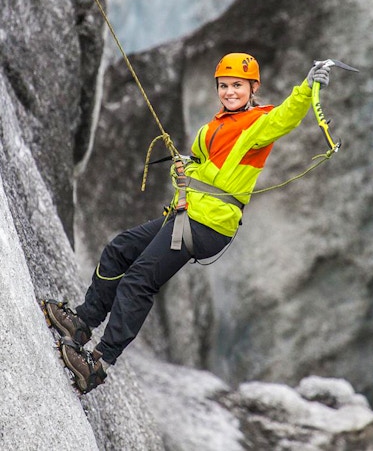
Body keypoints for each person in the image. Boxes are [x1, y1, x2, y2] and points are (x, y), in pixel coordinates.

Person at [42, 52, 330, 394]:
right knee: (119, 250)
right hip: (188, 214)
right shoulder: (215, 125)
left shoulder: (258, 123)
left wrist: (308, 86)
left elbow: (286, 116)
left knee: (139, 279)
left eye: (238, 85)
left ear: (254, 88)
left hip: (209, 223)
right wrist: (184, 168)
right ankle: (82, 323)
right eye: (224, 85)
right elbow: (201, 166)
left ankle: (99, 364)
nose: (230, 91)